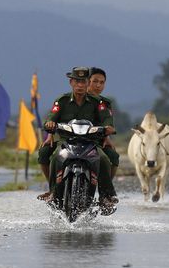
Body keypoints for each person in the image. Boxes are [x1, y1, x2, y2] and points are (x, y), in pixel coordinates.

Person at [37, 66, 118, 209]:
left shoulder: (97, 102)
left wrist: (108, 128)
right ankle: (53, 191)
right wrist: (50, 125)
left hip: (91, 142)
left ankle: (105, 195)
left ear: (88, 83)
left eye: (83, 82)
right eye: (77, 81)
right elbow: (52, 116)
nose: (80, 85)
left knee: (104, 159)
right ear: (71, 82)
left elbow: (106, 118)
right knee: (55, 156)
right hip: (65, 141)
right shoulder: (61, 100)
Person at [88, 67, 119, 178]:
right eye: (95, 81)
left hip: (97, 140)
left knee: (113, 156)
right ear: (87, 81)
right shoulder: (78, 97)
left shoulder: (105, 103)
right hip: (73, 137)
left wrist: (107, 136)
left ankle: (107, 190)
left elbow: (108, 121)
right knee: (49, 155)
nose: (98, 85)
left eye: (102, 82)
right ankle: (53, 189)